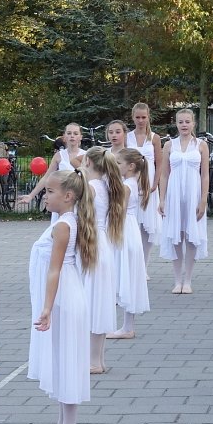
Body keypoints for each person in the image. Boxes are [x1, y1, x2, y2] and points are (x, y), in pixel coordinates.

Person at [28, 170, 97, 424]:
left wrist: (46, 307)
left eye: (50, 192)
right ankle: (61, 422)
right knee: (60, 357)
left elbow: (55, 270)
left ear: (68, 197)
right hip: (64, 296)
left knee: (67, 358)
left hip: (63, 298)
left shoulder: (63, 226)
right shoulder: (63, 222)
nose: (45, 195)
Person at [80, 147, 123, 371]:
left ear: (87, 161)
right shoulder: (106, 186)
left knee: (93, 302)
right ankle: (97, 359)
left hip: (93, 246)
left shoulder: (91, 187)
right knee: (98, 301)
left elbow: (82, 217)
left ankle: (94, 361)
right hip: (102, 244)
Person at [158, 109, 209, 293]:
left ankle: (188, 280)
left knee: (192, 237)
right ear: (176, 124)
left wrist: (203, 200)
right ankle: (177, 279)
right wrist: (162, 199)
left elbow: (205, 176)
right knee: (176, 237)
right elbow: (164, 174)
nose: (184, 125)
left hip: (193, 193)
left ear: (193, 123)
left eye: (188, 121)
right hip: (174, 194)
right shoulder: (169, 145)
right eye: (181, 122)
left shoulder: (201, 145)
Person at [109, 148, 152, 339]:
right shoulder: (132, 183)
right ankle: (127, 326)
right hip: (130, 229)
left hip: (125, 230)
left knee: (124, 275)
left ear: (131, 166)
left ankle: (126, 327)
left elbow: (121, 211)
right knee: (128, 276)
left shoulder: (127, 186)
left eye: (119, 163)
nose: (116, 166)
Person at [18, 123, 87, 212]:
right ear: (64, 136)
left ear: (80, 137)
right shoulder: (58, 156)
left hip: (79, 199)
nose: (72, 136)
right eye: (69, 133)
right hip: (61, 199)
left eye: (75, 133)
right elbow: (47, 177)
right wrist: (31, 195)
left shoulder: (86, 155)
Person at [128, 105, 164, 267]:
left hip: (149, 185)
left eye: (144, 117)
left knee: (147, 227)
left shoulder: (154, 138)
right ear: (133, 117)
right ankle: (133, 264)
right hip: (131, 184)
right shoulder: (127, 137)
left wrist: (155, 183)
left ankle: (144, 265)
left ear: (149, 117)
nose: (141, 120)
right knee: (132, 223)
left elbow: (160, 162)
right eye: (138, 117)